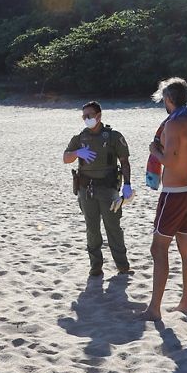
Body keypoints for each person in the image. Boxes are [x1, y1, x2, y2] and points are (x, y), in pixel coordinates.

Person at [142, 77, 187, 321]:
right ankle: (185, 304)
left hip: (174, 195)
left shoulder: (172, 126)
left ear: (169, 100)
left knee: (158, 248)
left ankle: (154, 309)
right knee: (186, 249)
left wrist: (154, 151)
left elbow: (168, 160)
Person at [62, 101, 134, 277]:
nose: (86, 119)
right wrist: (77, 153)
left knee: (113, 227)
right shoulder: (79, 138)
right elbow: (65, 158)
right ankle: (96, 266)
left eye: (89, 115)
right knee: (92, 229)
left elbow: (124, 162)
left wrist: (127, 184)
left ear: (99, 116)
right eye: (84, 116)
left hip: (108, 189)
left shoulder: (113, 136)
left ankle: (122, 265)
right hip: (86, 189)